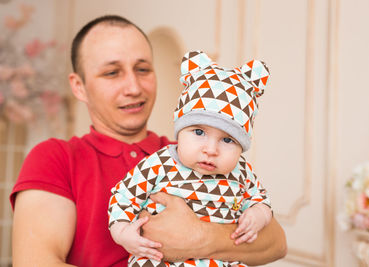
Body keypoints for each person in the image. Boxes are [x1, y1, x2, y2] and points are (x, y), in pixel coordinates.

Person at [10, 15, 287, 267]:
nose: (134, 87)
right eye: (112, 72)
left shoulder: (194, 156)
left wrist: (199, 236)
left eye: (142, 69)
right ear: (78, 86)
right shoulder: (56, 157)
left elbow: (276, 243)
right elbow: (35, 262)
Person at [108, 50, 273, 267]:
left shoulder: (241, 172)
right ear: (180, 130)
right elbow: (123, 196)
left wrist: (257, 215)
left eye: (227, 140)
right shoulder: (160, 164)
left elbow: (261, 201)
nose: (211, 150)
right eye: (198, 132)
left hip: (220, 260)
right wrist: (122, 233)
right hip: (160, 259)